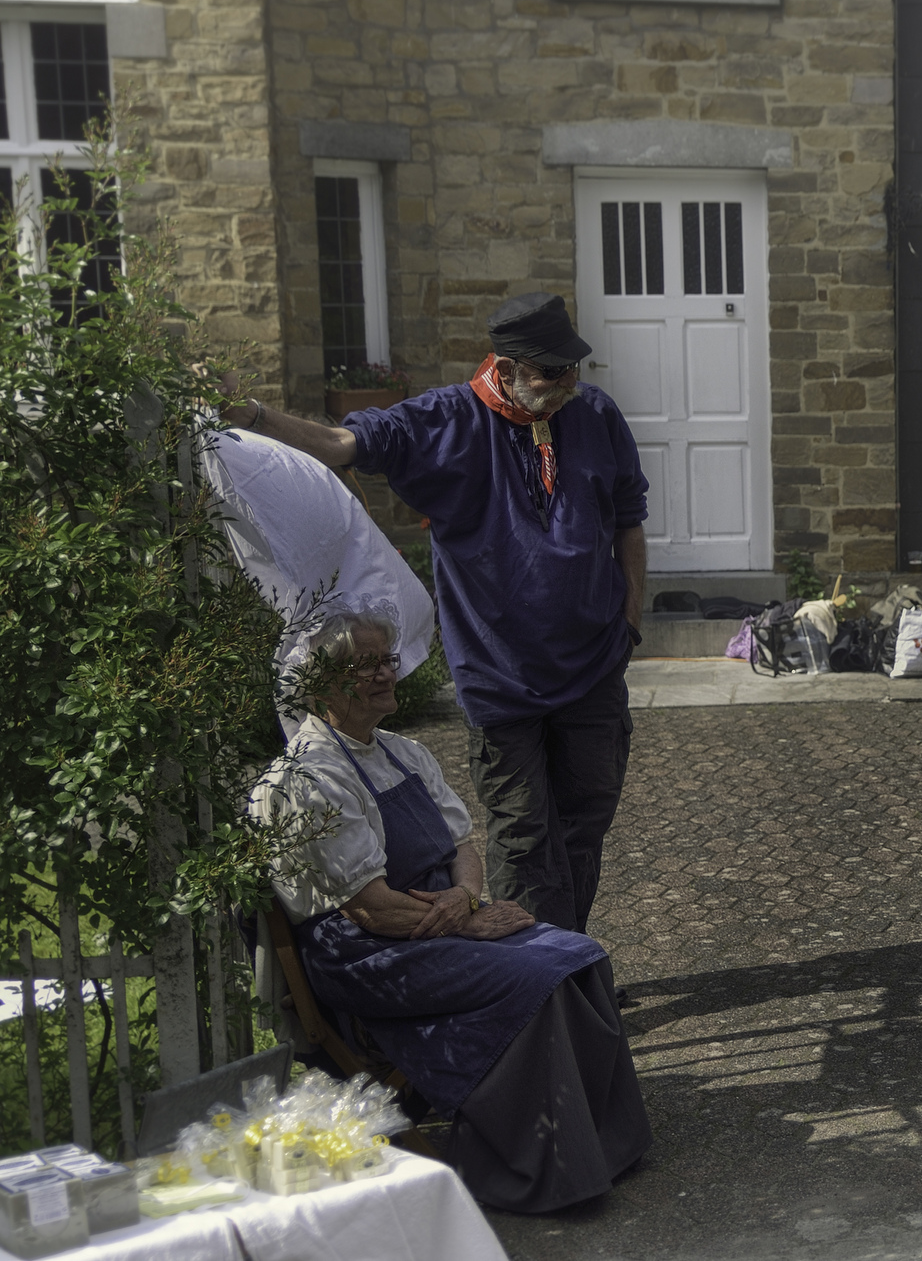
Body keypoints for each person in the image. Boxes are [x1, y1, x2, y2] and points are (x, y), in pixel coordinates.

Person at [219, 293, 646, 935]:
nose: (565, 386)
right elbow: (341, 442)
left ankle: (567, 962)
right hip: (502, 681)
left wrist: (631, 617)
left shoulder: (597, 416)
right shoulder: (446, 422)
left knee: (584, 828)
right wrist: (250, 413)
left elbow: (629, 520)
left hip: (593, 669)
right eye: (548, 372)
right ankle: (539, 983)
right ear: (505, 365)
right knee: (524, 840)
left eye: (572, 370)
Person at [250, 612, 651, 1211]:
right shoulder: (306, 777)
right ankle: (534, 1168)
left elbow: (463, 846)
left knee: (577, 953)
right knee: (536, 978)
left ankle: (602, 1145)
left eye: (389, 659)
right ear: (322, 684)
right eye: (369, 665)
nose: (388, 674)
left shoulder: (402, 752)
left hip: (433, 920)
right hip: (368, 953)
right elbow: (369, 907)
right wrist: (466, 918)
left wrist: (464, 897)